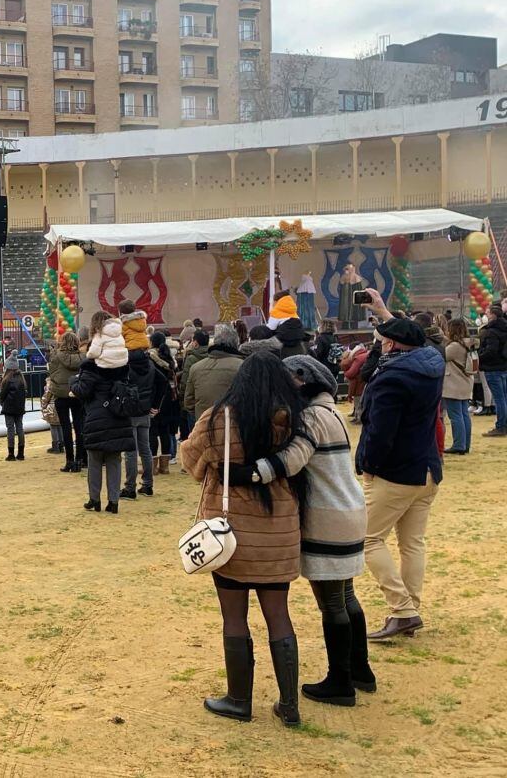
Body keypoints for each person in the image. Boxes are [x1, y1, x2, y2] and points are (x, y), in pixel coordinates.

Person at [235, 356, 374, 706]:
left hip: (327, 518)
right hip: (349, 511)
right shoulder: (333, 412)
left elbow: (292, 459)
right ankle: (360, 670)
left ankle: (340, 682)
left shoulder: (311, 417)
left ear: (302, 379)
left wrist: (247, 473)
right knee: (346, 596)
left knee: (331, 602)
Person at [182, 353, 308, 727]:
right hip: (278, 533)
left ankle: (239, 699)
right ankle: (289, 705)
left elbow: (191, 463)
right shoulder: (291, 423)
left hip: (229, 534)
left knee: (233, 617)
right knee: (279, 617)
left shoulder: (218, 419)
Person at [355, 296, 444, 640]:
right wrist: (383, 313)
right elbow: (415, 337)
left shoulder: (392, 379)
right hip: (427, 468)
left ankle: (403, 608)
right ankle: (409, 609)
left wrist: (368, 466)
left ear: (391, 345)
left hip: (396, 471)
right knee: (412, 543)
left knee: (367, 539)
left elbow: (380, 433)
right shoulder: (431, 363)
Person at [72, 317, 134, 514]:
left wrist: (72, 382)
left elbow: (83, 390)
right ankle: (113, 501)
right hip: (118, 416)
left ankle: (94, 499)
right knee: (114, 460)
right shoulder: (123, 367)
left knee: (95, 460)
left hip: (96, 416)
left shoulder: (91, 367)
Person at [120, 305, 162, 499]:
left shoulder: (125, 364)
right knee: (145, 448)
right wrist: (155, 404)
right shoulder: (150, 362)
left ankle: (129, 486)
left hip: (129, 407)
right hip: (145, 408)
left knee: (130, 450)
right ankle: (148, 484)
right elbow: (162, 382)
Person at [184, 324, 243, 421]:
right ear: (236, 343)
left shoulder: (196, 368)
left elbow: (189, 401)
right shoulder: (243, 366)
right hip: (233, 425)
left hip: (204, 423)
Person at [47, 331, 86, 473]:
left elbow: (51, 372)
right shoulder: (83, 356)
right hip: (77, 394)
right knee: (79, 426)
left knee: (66, 428)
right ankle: (80, 460)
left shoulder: (56, 356)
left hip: (61, 394)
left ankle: (69, 460)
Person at [148, 331, 179, 475]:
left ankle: (152, 466)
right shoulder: (170, 359)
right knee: (165, 430)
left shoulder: (151, 358)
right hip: (169, 399)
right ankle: (165, 466)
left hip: (155, 397)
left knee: (152, 431)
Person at [443, 318, 476, 454]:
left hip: (453, 384)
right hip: (465, 383)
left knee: (455, 415)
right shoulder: (468, 344)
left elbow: (441, 355)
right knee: (463, 414)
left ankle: (458, 445)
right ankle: (465, 444)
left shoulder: (455, 346)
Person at [478, 305, 507, 437]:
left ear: (493, 315)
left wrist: (479, 358)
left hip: (493, 368)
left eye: (488, 313)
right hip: (504, 367)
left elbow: (491, 351)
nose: (486, 315)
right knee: (504, 398)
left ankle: (501, 426)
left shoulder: (491, 332)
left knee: (499, 399)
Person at [0, 365, 27, 461]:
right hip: (19, 407)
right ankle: (21, 453)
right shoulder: (21, 379)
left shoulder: (7, 380)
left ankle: (11, 454)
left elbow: (3, 394)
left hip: (9, 408)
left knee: (10, 429)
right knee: (20, 428)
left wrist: (1, 402)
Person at [177, 329, 210, 406]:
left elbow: (185, 380)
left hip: (194, 398)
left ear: (195, 343)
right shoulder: (212, 355)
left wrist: (181, 396)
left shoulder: (191, 358)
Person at [341, 344, 370, 424]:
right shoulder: (365, 355)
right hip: (364, 382)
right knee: (361, 402)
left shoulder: (358, 358)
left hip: (359, 383)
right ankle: (358, 417)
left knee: (358, 402)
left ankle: (359, 419)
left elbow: (351, 373)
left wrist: (346, 373)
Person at [337, 263, 364, 330]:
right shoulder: (344, 277)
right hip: (345, 298)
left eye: (349, 269)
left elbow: (358, 291)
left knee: (354, 310)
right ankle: (345, 324)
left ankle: (353, 325)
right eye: (346, 269)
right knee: (345, 310)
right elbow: (342, 284)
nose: (347, 271)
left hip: (353, 299)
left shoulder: (356, 278)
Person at [40, 377, 63, 455]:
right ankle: (61, 445)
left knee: (53, 426)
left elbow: (47, 395)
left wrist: (43, 405)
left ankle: (55, 446)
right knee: (59, 425)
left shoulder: (50, 382)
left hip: (52, 406)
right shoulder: (61, 379)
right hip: (61, 405)